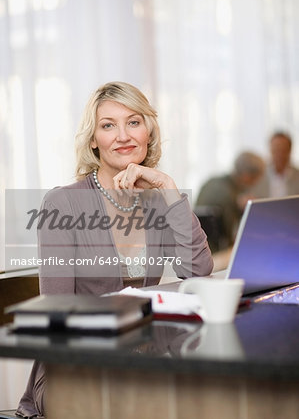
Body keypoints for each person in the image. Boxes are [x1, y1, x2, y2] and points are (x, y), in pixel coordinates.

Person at [16, 81, 213, 418]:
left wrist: (168, 188)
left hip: (141, 360)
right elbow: (56, 315)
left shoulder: (157, 201)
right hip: (75, 368)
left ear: (148, 132)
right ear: (93, 140)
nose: (123, 135)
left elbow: (197, 271)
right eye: (108, 126)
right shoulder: (63, 204)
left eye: (133, 122)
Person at [195, 151, 265, 251]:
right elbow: (230, 236)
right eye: (256, 179)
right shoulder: (229, 195)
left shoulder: (212, 181)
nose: (256, 184)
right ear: (246, 176)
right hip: (212, 251)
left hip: (198, 244)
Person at [251, 131, 299, 198]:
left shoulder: (297, 175)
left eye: (283, 150)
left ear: (290, 150)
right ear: (270, 149)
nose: (279, 154)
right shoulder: (258, 176)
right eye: (276, 150)